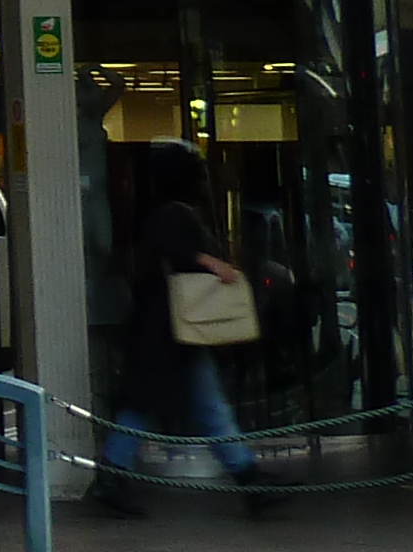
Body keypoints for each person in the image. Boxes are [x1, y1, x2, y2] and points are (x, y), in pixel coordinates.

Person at [94, 151, 280, 518]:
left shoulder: (158, 213)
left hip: (163, 332)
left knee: (156, 404)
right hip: (173, 330)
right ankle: (247, 476)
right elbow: (174, 251)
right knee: (187, 405)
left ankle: (114, 476)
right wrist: (211, 263)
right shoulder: (176, 215)